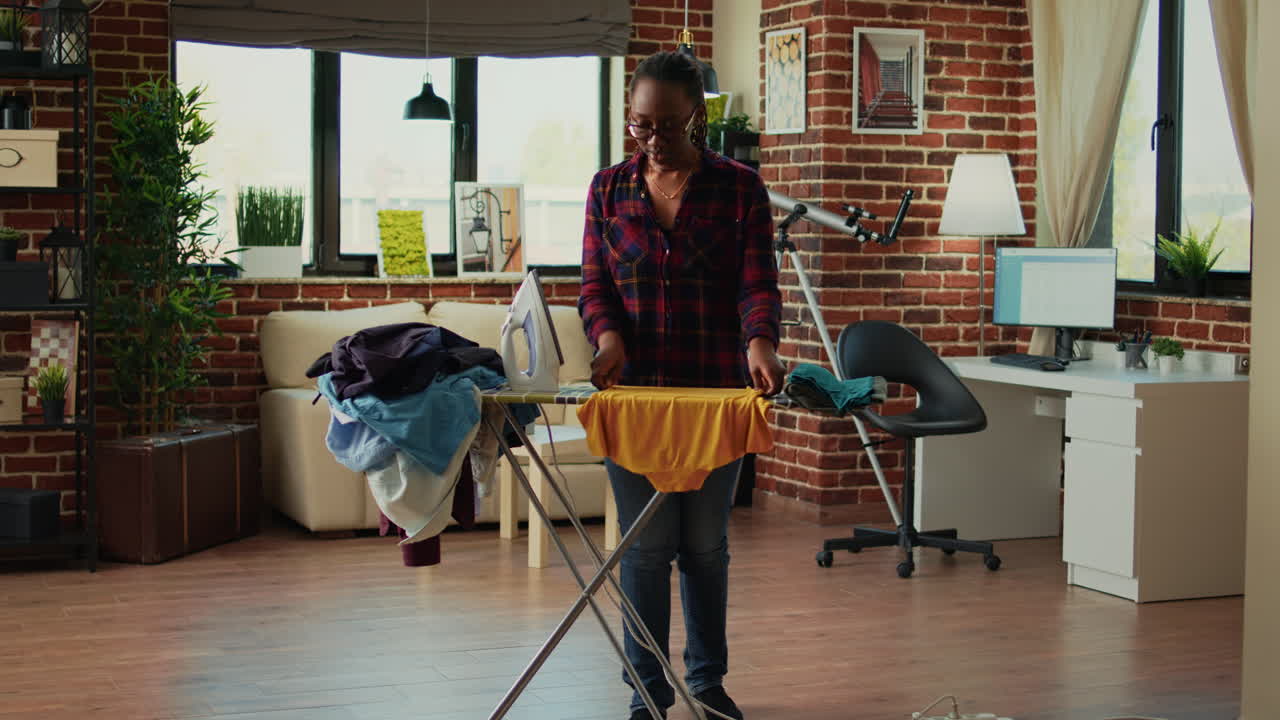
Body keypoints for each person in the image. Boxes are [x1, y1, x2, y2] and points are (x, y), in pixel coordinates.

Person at [578, 51, 785, 720]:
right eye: (641, 124)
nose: (653, 138)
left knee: (703, 547)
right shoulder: (607, 190)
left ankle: (707, 680)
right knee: (645, 550)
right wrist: (607, 340)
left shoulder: (739, 189)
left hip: (711, 397)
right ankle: (646, 689)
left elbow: (757, 283)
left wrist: (761, 341)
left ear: (697, 117)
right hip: (635, 396)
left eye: (668, 125)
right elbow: (594, 288)